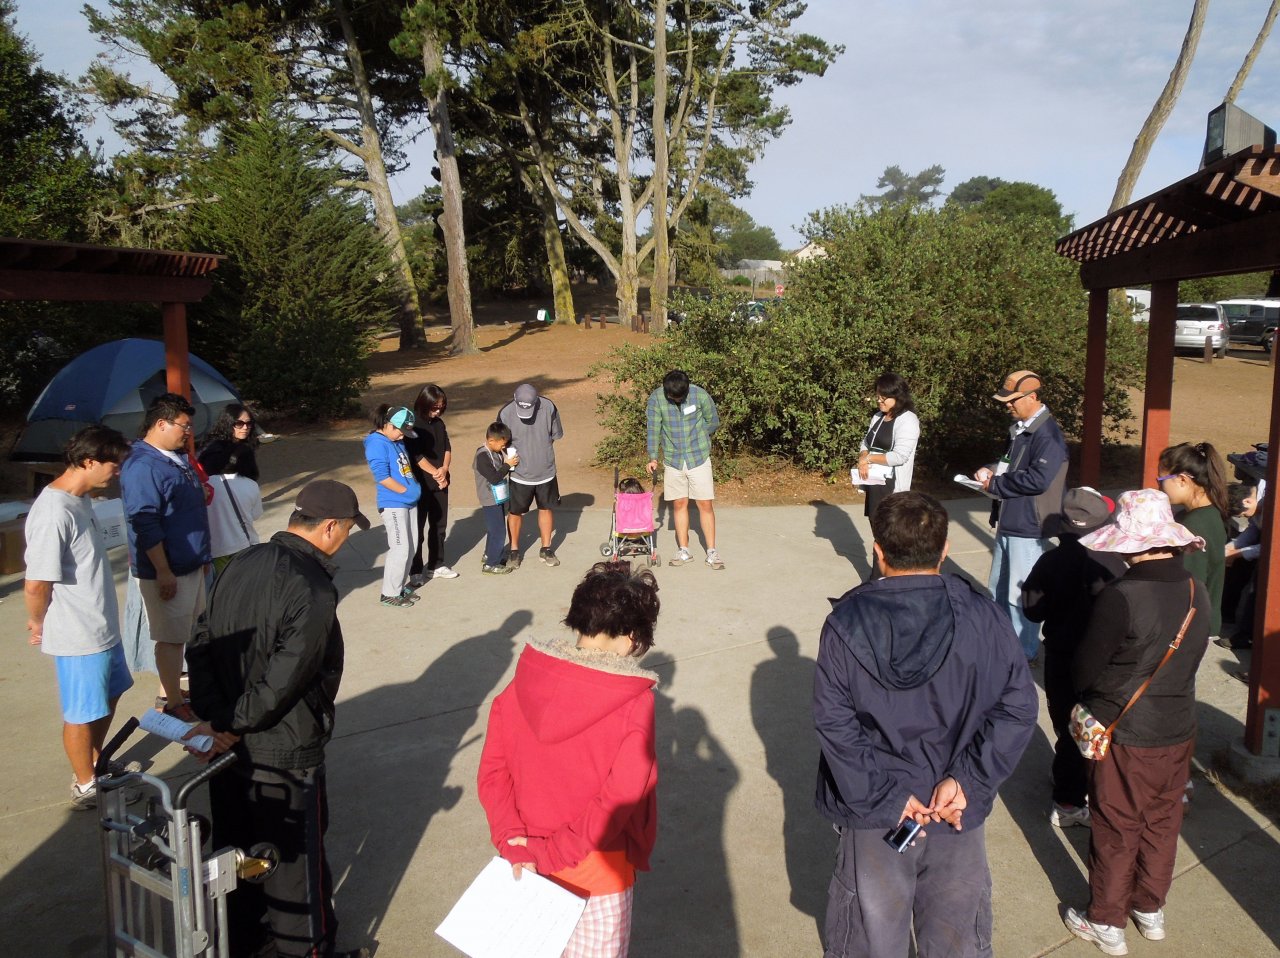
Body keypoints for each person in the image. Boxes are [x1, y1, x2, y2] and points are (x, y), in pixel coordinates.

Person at [814, 491, 1037, 958]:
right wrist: (969, 781)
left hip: (877, 810)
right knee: (956, 935)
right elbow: (1017, 707)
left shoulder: (844, 624)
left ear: (878, 551)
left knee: (871, 934)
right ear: (945, 548)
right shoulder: (987, 616)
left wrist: (886, 796)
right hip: (954, 806)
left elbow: (836, 724)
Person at [186, 480, 371, 958]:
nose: (345, 539)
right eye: (347, 530)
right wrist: (232, 722)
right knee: (294, 868)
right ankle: (305, 951)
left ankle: (244, 942)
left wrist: (216, 718)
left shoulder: (239, 563)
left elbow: (200, 643)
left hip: (229, 750)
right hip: (284, 751)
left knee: (237, 855)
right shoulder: (313, 587)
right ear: (329, 528)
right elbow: (286, 680)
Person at [477, 561, 661, 958]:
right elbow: (619, 799)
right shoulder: (635, 703)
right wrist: (552, 853)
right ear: (633, 637)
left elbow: (493, 772)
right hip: (598, 872)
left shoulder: (522, 681)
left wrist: (514, 842)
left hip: (523, 863)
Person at [1062, 489, 1211, 956]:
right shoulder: (1196, 588)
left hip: (1124, 731)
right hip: (1178, 725)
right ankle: (1150, 907)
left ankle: (1106, 920)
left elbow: (1084, 671)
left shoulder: (1122, 595)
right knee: (1163, 820)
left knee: (1116, 825)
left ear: (1132, 543)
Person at [24, 425, 136, 808]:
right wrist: (38, 622)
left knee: (110, 695)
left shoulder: (81, 500)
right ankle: (85, 784)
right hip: (78, 633)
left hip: (101, 626)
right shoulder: (53, 511)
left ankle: (95, 761)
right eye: (113, 464)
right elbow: (36, 584)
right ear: (89, 461)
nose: (117, 472)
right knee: (82, 712)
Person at [1021, 488, 1127, 829]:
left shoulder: (1049, 562)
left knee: (1066, 723)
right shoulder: (1113, 564)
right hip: (1101, 660)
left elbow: (1032, 611)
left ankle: (1068, 793)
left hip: (1060, 654)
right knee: (1092, 726)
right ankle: (1077, 792)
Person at [120, 392, 212, 721]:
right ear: (161, 423)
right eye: (184, 426)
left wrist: (202, 557)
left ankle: (180, 691)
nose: (188, 432)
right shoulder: (142, 465)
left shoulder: (177, 457)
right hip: (168, 568)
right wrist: (162, 570)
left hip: (192, 562)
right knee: (171, 638)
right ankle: (171, 701)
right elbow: (145, 522)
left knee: (189, 631)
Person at [973, 369, 1068, 660]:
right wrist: (990, 469)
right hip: (1009, 520)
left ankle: (1024, 652)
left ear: (1033, 397)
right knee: (999, 589)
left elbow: (1039, 479)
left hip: (1028, 525)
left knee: (1020, 594)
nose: (1008, 405)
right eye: (1006, 400)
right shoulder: (1019, 429)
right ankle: (1003, 643)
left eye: (1013, 400)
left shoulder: (1048, 435)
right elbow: (1010, 465)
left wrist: (996, 484)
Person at [645, 369, 724, 570]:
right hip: (673, 459)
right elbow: (653, 428)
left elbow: (713, 421)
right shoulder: (656, 399)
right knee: (679, 503)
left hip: (699, 457)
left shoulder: (700, 395)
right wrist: (653, 457)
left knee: (705, 504)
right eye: (673, 397)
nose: (677, 400)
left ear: (687, 389)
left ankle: (712, 552)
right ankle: (684, 550)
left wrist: (700, 436)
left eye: (680, 397)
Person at [1157, 442, 1230, 639]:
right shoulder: (1210, 513)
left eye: (1161, 480)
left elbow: (1187, 582)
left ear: (1182, 480)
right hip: (1199, 621)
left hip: (1189, 626)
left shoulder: (1193, 525)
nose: (1159, 487)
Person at [856, 372, 920, 579]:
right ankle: (877, 578)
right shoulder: (878, 417)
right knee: (878, 534)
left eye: (884, 397)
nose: (879, 400)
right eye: (878, 396)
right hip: (874, 484)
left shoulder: (908, 420)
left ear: (898, 396)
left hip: (892, 488)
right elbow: (865, 443)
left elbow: (900, 456)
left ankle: (891, 578)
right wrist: (863, 457)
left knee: (890, 536)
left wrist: (870, 458)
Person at [498, 383, 564, 568]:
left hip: (546, 472)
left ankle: (546, 548)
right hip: (519, 474)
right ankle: (514, 551)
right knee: (515, 512)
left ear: (537, 401)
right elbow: (500, 442)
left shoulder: (548, 406)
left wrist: (540, 451)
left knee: (546, 508)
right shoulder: (505, 413)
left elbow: (554, 435)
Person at [363, 404, 421, 608]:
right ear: (388, 425)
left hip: (409, 502)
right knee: (400, 548)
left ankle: (398, 587)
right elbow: (382, 477)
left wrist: (412, 491)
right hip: (393, 503)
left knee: (411, 547)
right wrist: (405, 491)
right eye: (400, 431)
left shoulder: (396, 440)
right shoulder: (376, 443)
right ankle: (389, 593)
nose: (402, 436)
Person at [406, 383, 457, 583]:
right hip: (420, 483)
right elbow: (416, 455)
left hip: (440, 482)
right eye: (434, 407)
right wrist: (436, 472)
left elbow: (447, 448)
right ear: (424, 403)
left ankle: (436, 564)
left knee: (439, 525)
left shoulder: (439, 424)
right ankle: (415, 569)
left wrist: (444, 469)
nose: (437, 412)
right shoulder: (413, 424)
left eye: (441, 408)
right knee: (417, 528)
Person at [204, 445, 263, 575]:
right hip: (245, 545)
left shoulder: (205, 485)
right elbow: (256, 515)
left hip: (217, 549)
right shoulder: (251, 484)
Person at [472, 421, 518, 575]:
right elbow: (494, 478)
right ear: (491, 440)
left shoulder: (495, 451)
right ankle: (491, 564)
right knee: (499, 531)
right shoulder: (482, 456)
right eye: (502, 444)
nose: (503, 447)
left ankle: (489, 554)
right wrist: (507, 465)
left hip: (497, 497)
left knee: (493, 529)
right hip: (489, 499)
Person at [197, 403, 261, 482]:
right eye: (239, 423)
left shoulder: (246, 446)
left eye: (249, 423)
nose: (245, 427)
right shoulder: (214, 448)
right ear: (228, 423)